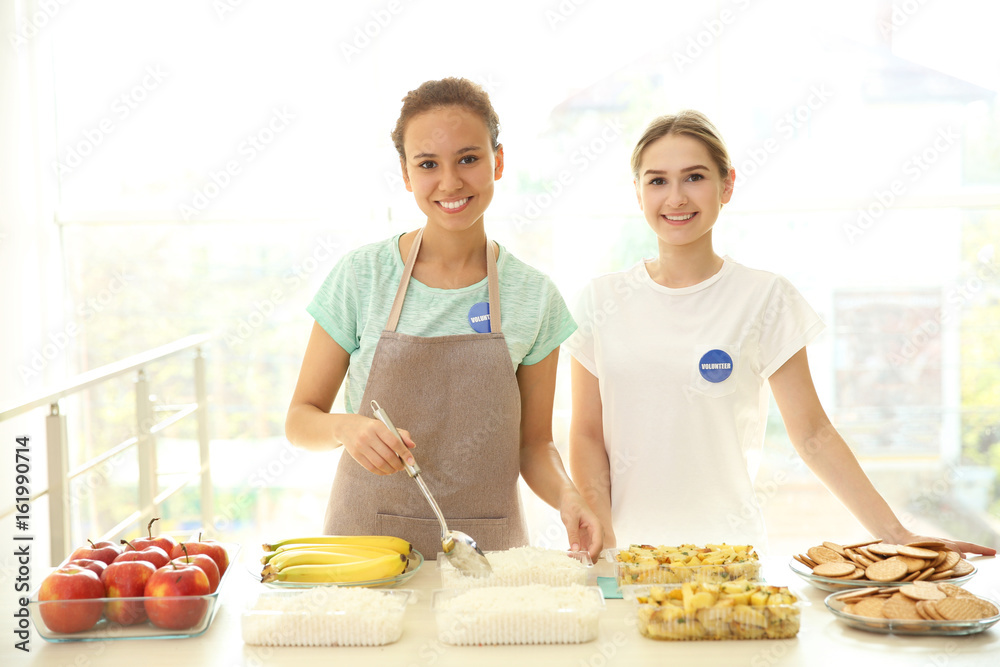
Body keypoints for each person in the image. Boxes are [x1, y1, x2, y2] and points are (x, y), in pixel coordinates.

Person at [565, 110, 995, 557]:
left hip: (729, 558)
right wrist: (605, 537)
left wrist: (897, 534)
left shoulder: (765, 297)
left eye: (694, 177)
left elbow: (813, 434)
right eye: (657, 181)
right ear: (637, 192)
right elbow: (587, 435)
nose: (675, 198)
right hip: (627, 557)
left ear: (726, 185)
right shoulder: (601, 301)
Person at [286, 77, 602, 560]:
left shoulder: (534, 297)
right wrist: (344, 429)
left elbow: (534, 446)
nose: (450, 182)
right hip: (367, 549)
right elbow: (299, 419)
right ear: (406, 173)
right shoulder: (361, 277)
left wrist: (569, 497)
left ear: (497, 161)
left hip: (489, 556)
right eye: (428, 164)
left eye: (469, 159)